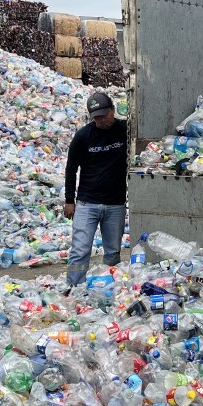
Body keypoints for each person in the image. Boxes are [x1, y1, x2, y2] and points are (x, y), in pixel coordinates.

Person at [63, 92, 128, 287]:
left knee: (112, 252)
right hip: (86, 203)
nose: (101, 120)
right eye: (96, 117)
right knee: (80, 251)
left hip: (115, 204)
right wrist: (69, 201)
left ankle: (110, 287)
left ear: (113, 110)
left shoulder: (125, 130)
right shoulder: (83, 136)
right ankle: (74, 287)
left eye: (104, 115)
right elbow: (71, 169)